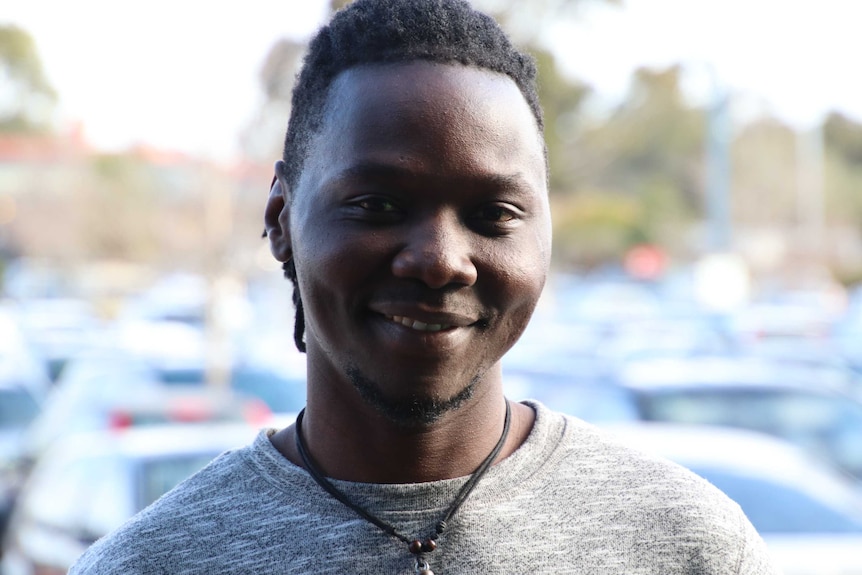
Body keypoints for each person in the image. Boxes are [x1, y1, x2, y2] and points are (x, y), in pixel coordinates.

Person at [70, 1, 779, 573]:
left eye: (492, 214)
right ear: (281, 218)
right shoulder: (152, 563)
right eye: (378, 205)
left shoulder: (690, 548)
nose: (441, 260)